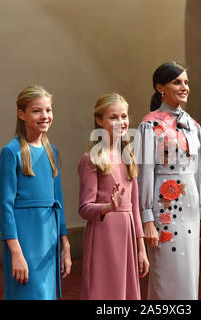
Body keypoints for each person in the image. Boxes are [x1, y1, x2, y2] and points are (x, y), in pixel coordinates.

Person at [137, 61, 201, 300]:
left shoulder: (193, 125)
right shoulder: (149, 124)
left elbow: (200, 171)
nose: (184, 87)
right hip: (164, 208)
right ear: (161, 87)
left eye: (186, 82)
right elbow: (144, 172)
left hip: (190, 206)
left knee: (189, 272)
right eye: (177, 82)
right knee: (167, 274)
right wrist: (147, 218)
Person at [0, 84, 71, 300]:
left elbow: (59, 200)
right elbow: (5, 207)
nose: (45, 116)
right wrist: (16, 253)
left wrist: (64, 244)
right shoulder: (11, 152)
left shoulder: (51, 152)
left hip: (49, 238)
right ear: (22, 114)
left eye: (48, 110)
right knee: (29, 294)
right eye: (37, 111)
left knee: (45, 295)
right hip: (25, 240)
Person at [78, 92, 149, 300]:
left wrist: (141, 249)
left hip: (127, 235)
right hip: (103, 235)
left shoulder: (128, 156)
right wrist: (108, 207)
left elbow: (135, 209)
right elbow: (84, 208)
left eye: (124, 116)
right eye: (113, 117)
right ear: (99, 120)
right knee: (102, 292)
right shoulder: (92, 159)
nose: (121, 122)